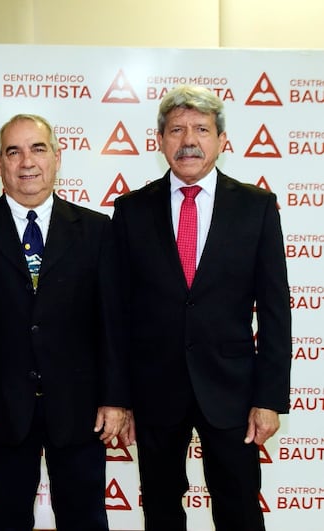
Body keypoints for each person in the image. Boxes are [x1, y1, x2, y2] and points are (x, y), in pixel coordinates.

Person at [0, 114, 129, 531]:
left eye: (38, 149)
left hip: (79, 408)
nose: (27, 161)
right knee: (6, 519)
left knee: (85, 518)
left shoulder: (96, 229)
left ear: (57, 158)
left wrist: (115, 398)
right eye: (14, 151)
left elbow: (112, 322)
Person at [113, 85, 291, 531]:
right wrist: (119, 397)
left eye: (200, 129)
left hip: (232, 391)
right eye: (176, 130)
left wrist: (268, 399)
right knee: (160, 507)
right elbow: (117, 312)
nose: (188, 139)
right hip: (155, 390)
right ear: (159, 141)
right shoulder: (131, 210)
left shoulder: (257, 207)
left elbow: (274, 310)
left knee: (239, 509)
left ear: (222, 140)